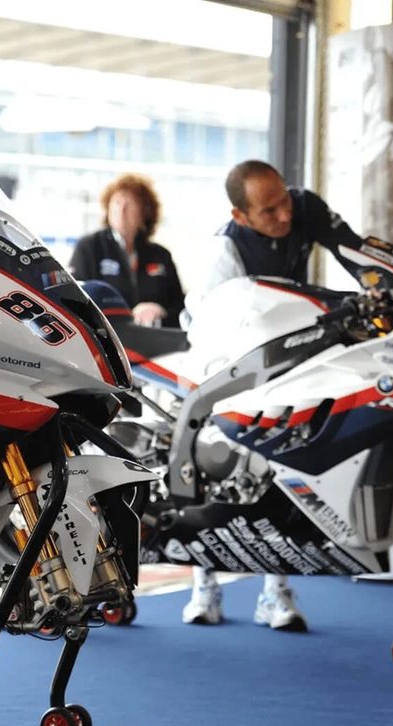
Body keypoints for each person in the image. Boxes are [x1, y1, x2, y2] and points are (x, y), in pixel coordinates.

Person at [183, 159, 363, 632]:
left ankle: (275, 592)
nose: (285, 215)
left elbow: (359, 254)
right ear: (241, 216)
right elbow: (210, 330)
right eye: (269, 211)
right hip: (224, 359)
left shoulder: (303, 208)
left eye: (284, 200)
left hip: (290, 358)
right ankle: (204, 585)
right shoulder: (224, 252)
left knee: (283, 469)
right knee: (219, 469)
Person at [69, 173, 185, 328]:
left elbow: (181, 307)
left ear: (145, 211)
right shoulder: (90, 247)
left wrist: (160, 311)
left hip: (154, 338)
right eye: (116, 202)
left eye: (129, 203)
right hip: (107, 337)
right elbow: (75, 300)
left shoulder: (161, 255)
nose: (121, 209)